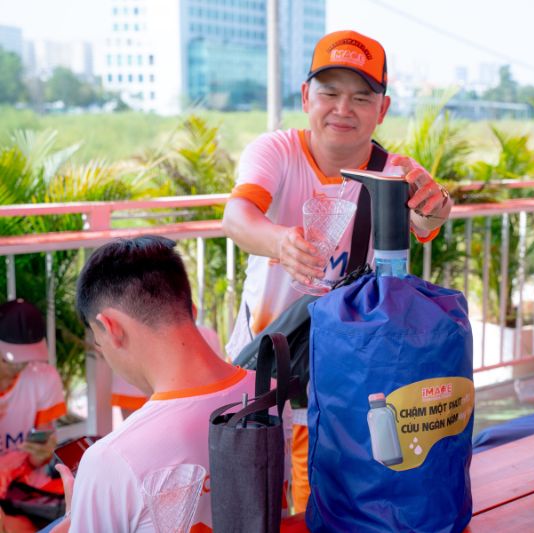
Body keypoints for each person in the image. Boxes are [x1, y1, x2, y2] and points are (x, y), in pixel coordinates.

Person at [221, 29, 453, 512]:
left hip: (343, 365)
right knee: (257, 489)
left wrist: (434, 209)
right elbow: (236, 218)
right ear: (307, 97)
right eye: (329, 94)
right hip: (267, 356)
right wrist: (279, 242)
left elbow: (426, 219)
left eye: (361, 97)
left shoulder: (396, 172)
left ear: (382, 109)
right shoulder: (277, 152)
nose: (343, 110)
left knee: (323, 493)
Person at [53, 236, 255, 532]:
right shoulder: (271, 394)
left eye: (100, 344)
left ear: (111, 328)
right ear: (191, 308)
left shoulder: (112, 459)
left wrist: (77, 517)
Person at [0, 298, 66, 483]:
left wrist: (41, 455)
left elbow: (41, 452)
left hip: (26, 489)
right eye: (10, 360)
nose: (21, 366)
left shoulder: (43, 377)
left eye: (27, 358)